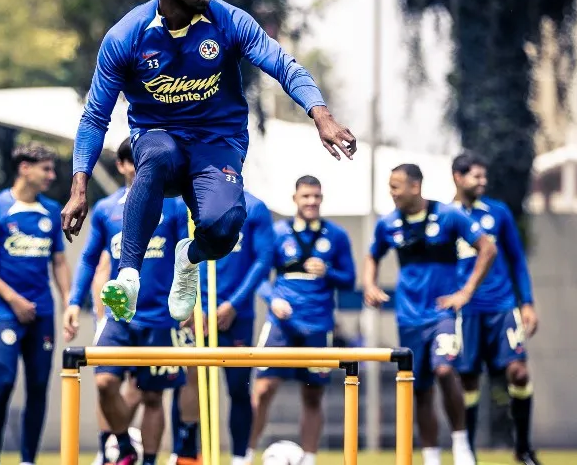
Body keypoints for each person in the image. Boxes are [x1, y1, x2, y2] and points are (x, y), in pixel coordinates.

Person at [61, 0, 357, 326]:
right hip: (158, 136)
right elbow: (95, 116)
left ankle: (190, 258)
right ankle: (128, 275)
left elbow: (283, 65)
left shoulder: (229, 20)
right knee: (159, 155)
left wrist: (320, 114)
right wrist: (79, 185)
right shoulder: (126, 37)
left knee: (224, 227)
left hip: (218, 142)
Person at [65, 137, 192, 465]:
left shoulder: (175, 206)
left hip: (160, 318)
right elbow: (89, 258)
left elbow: (189, 256)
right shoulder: (107, 210)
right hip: (119, 316)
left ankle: (149, 460)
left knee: (153, 396)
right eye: (135, 161)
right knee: (105, 382)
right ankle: (122, 444)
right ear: (122, 165)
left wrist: (195, 302)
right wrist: (73, 303)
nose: (142, 167)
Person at [362, 164, 497, 465]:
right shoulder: (388, 224)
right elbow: (372, 255)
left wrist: (466, 292)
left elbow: (487, 248)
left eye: (396, 186)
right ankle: (431, 456)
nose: (391, 192)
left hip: (442, 314)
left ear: (415, 186)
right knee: (420, 389)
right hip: (409, 318)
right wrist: (370, 284)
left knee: (445, 370)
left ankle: (462, 446)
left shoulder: (448, 215)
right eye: (390, 186)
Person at [0, 142, 71, 465]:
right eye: (46, 169)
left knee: (39, 385)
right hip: (5, 311)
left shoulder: (52, 211)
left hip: (42, 311)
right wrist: (13, 299)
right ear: (25, 168)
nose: (51, 176)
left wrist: (69, 302)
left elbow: (58, 261)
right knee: (4, 381)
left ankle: (28, 459)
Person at [248, 176, 355, 465]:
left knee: (313, 394)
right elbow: (258, 277)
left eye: (317, 197)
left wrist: (328, 271)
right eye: (306, 196)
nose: (312, 202)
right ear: (294, 198)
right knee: (263, 388)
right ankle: (245, 455)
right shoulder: (278, 232)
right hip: (280, 326)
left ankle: (308, 458)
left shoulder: (336, 236)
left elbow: (350, 280)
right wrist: (273, 299)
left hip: (318, 326)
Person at [169, 190, 275, 465]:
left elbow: (263, 260)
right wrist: (192, 305)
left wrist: (233, 305)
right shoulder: (186, 205)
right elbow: (175, 254)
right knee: (188, 384)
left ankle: (241, 457)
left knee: (238, 388)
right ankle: (185, 454)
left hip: (236, 315)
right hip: (195, 313)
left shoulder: (255, 206)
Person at [450, 152, 541, 465]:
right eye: (476, 176)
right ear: (458, 177)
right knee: (468, 381)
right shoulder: (445, 216)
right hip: (466, 312)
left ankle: (524, 447)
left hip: (502, 307)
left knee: (519, 371)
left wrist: (526, 302)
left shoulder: (498, 212)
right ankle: (468, 452)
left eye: (484, 176)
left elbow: (516, 259)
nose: (482, 182)